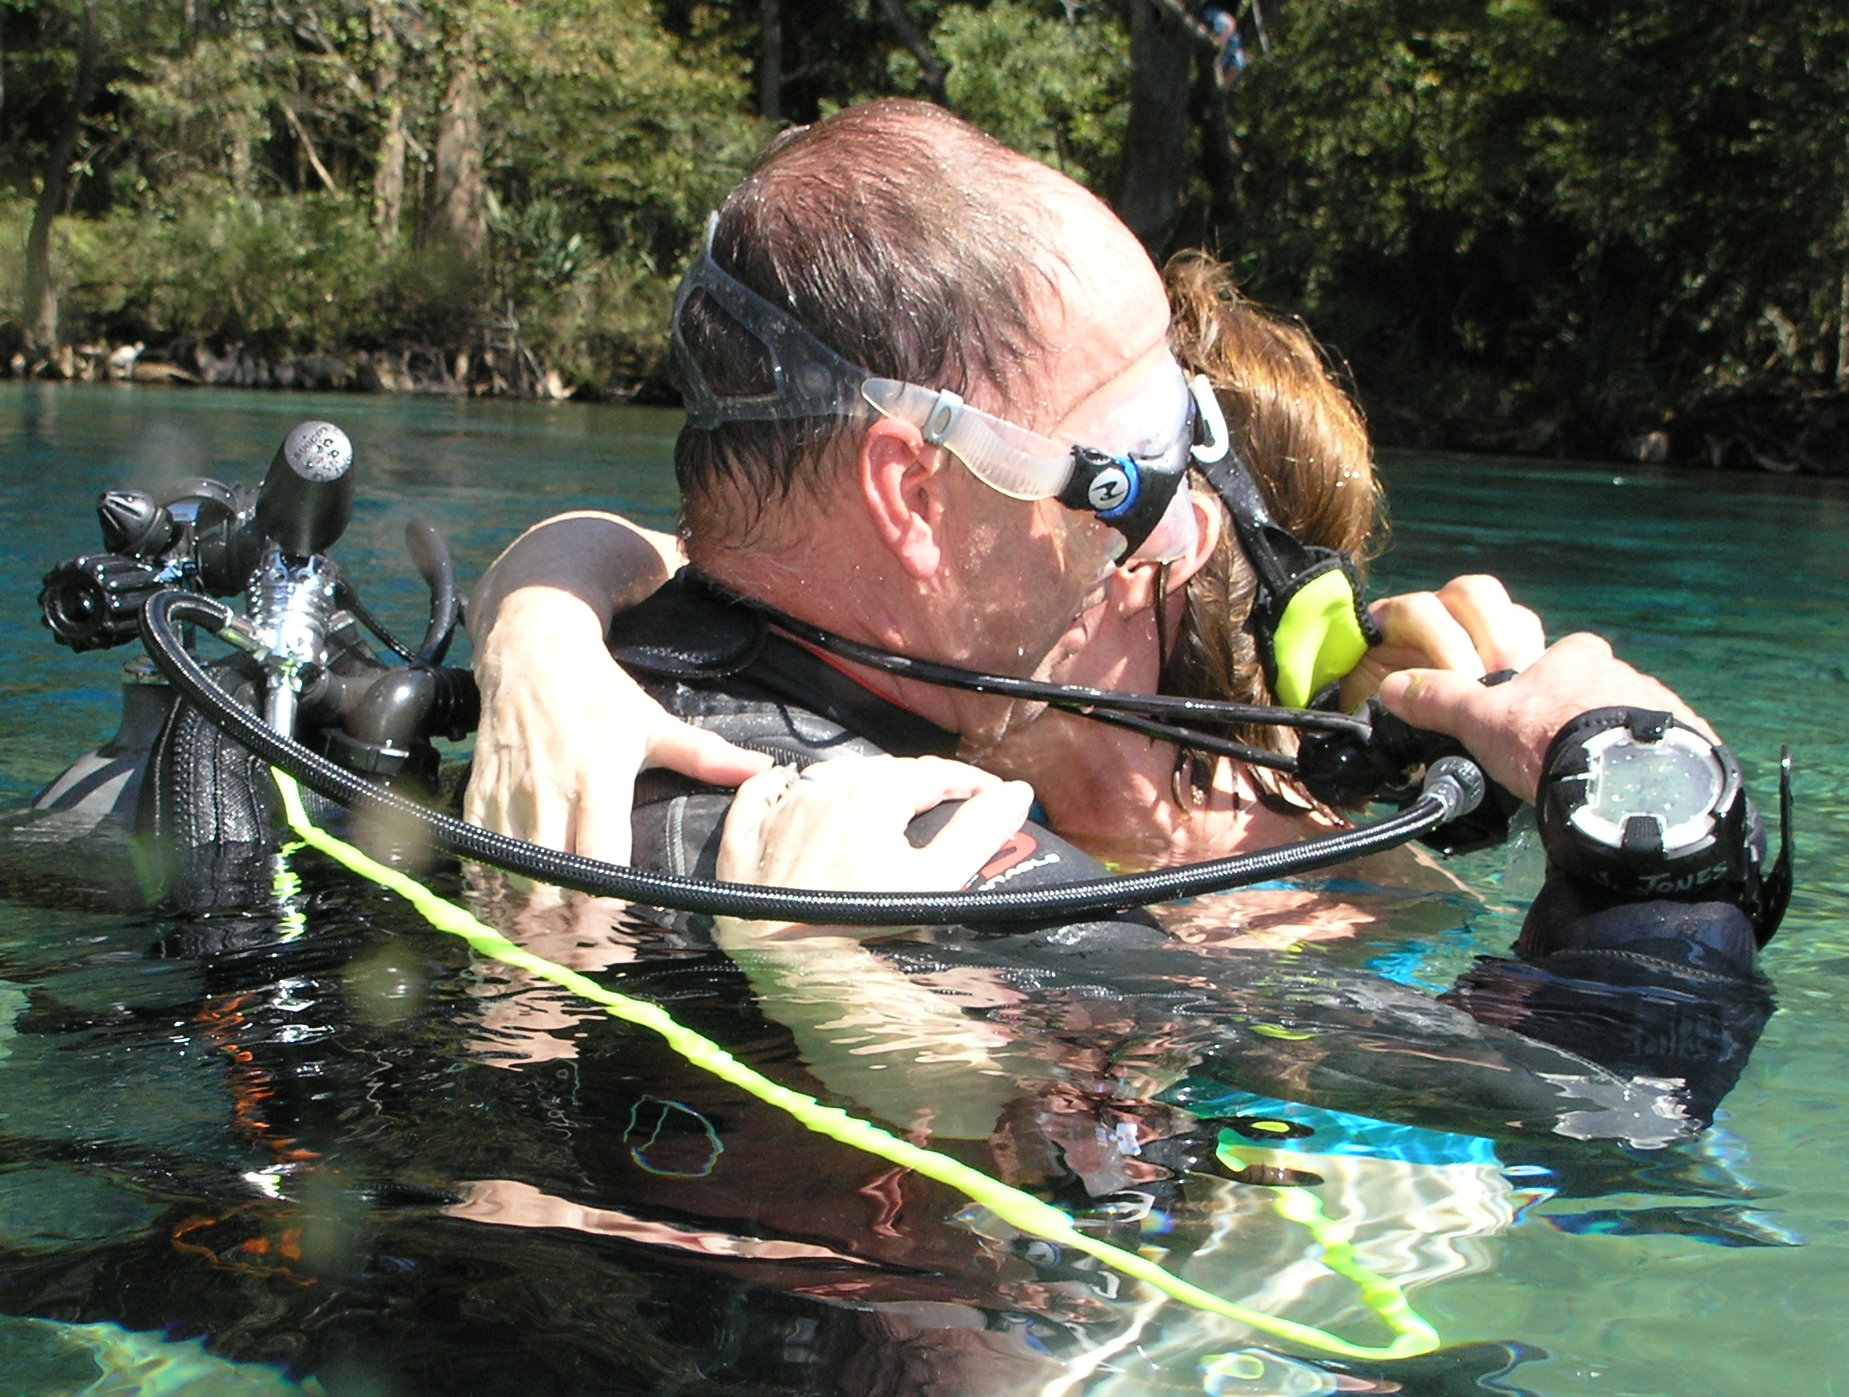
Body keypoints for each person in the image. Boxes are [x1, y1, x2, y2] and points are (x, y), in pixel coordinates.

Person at [464, 99, 1776, 1138]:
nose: (1184, 520)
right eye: (1130, 468)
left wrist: (543, 592)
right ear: (913, 490)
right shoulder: (885, 850)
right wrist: (1660, 851)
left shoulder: (669, 659)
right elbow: (1606, 1117)